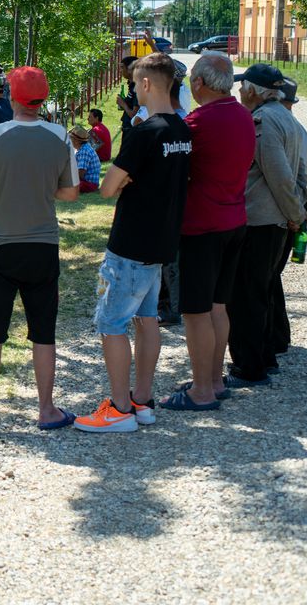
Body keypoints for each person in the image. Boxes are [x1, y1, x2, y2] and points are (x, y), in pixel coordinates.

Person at [0, 66, 78, 432]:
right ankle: (47, 410)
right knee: (44, 333)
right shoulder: (59, 137)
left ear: (13, 96)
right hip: (42, 247)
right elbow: (69, 192)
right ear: (42, 98)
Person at [74, 52, 192, 433]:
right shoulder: (181, 129)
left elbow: (108, 187)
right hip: (160, 242)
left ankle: (120, 408)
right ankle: (142, 399)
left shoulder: (144, 132)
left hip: (130, 242)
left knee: (112, 323)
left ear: (145, 84)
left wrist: (127, 179)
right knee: (146, 319)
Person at [162, 52, 254, 409]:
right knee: (218, 306)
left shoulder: (199, 123)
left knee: (196, 311)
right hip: (235, 220)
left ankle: (201, 390)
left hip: (203, 225)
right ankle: (213, 380)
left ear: (198, 83)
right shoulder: (244, 116)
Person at [225, 63, 307, 387]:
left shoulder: (263, 120)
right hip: (275, 220)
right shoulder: (286, 117)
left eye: (243, 85)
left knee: (246, 296)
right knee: (261, 289)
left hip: (261, 219)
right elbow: (296, 174)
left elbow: (278, 174)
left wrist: (295, 215)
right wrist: (296, 210)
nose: (239, 90)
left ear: (254, 89)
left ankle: (249, 367)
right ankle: (265, 357)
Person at [270, 76, 307, 361]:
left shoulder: (282, 126)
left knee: (267, 279)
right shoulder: (298, 128)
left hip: (283, 210)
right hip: (292, 208)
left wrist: (296, 214)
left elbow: (289, 178)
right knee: (272, 278)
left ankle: (275, 338)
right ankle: (279, 336)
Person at [68, 125, 101, 194]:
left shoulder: (84, 151)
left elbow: (80, 174)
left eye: (71, 138)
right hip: (86, 182)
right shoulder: (82, 149)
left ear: (77, 141)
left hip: (89, 184)